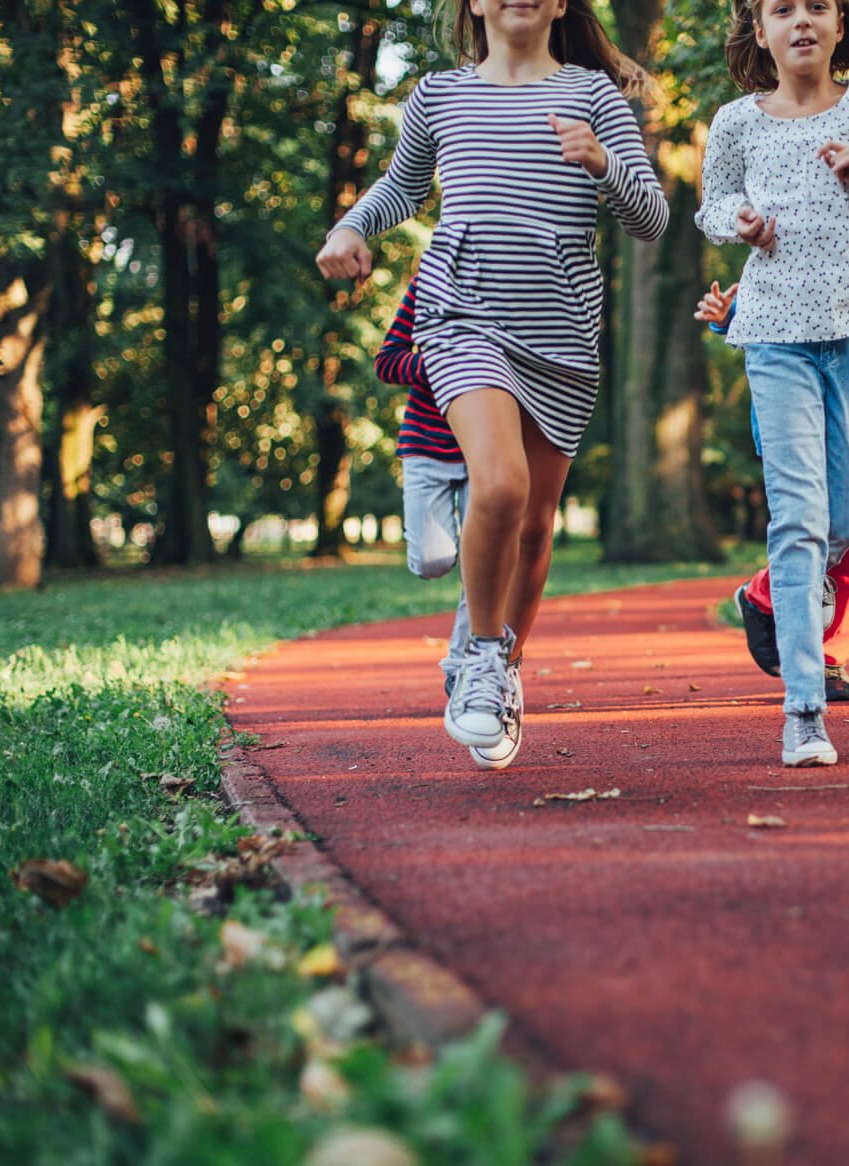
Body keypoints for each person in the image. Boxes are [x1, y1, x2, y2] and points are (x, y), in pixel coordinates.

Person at [316, 0, 668, 766]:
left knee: (536, 525)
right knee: (499, 486)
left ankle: (503, 672)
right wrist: (349, 227)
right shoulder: (440, 95)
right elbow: (402, 188)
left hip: (563, 339)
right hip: (460, 318)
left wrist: (603, 163)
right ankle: (479, 656)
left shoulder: (592, 96)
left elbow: (652, 220)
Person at [695, 0, 849, 766]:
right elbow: (710, 206)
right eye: (782, 9)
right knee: (797, 520)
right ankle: (802, 710)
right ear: (759, 31)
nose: (800, 20)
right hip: (773, 336)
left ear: (839, 26)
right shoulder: (736, 121)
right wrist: (737, 217)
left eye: (817, 7)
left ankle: (777, 603)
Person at [696, 279, 849, 703]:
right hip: (790, 415)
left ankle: (764, 590)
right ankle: (827, 658)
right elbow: (759, 306)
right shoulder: (787, 231)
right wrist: (729, 317)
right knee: (806, 522)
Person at [372, 276, 486, 743]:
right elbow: (387, 361)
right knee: (433, 561)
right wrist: (442, 364)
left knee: (487, 559)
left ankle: (462, 665)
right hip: (426, 446)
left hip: (485, 448)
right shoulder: (428, 285)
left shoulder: (520, 286)